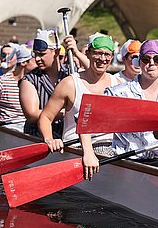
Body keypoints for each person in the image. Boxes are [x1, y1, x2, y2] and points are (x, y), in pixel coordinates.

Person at [39, 33, 120, 173]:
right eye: (98, 53)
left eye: (107, 54)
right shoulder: (69, 84)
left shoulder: (118, 84)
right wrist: (50, 140)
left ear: (112, 57)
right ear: (88, 53)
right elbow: (46, 117)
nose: (102, 59)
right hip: (76, 146)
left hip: (110, 146)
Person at [104, 40, 158, 174]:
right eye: (146, 59)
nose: (151, 63)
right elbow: (89, 122)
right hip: (127, 160)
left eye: (157, 59)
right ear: (139, 63)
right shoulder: (117, 93)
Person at [19, 29, 69, 138]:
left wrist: (77, 52)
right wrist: (66, 113)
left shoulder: (71, 74)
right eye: (35, 54)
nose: (37, 59)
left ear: (56, 52)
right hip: (38, 136)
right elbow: (32, 115)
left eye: (41, 54)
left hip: (68, 136)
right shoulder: (30, 79)